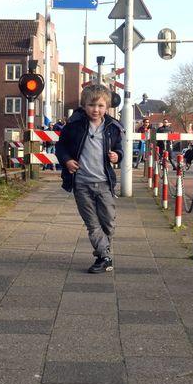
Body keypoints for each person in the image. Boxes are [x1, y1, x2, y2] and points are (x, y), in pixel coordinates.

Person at [56, 84, 124, 274]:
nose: (96, 110)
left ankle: (104, 256)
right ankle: (105, 257)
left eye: (101, 106)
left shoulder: (112, 128)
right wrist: (67, 160)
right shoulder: (74, 126)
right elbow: (61, 147)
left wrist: (117, 156)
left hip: (104, 183)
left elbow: (120, 149)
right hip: (81, 183)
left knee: (108, 222)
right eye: (91, 105)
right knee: (92, 224)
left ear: (107, 106)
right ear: (84, 105)